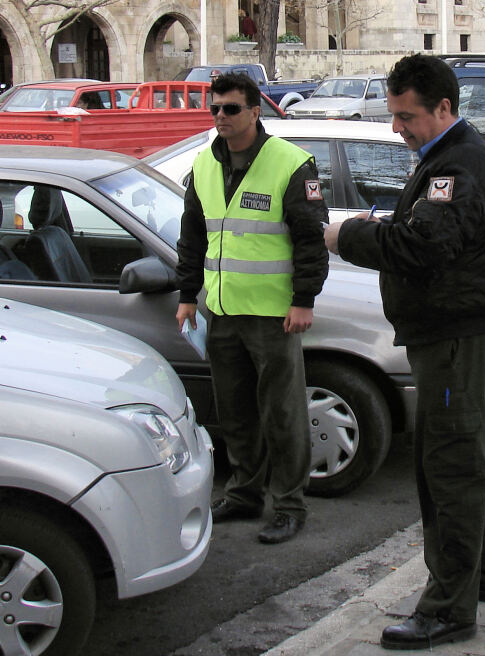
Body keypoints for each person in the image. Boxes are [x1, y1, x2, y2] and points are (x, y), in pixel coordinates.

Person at [323, 54, 485, 650]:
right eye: (393, 115)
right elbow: (431, 234)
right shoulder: (449, 158)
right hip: (453, 336)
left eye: (406, 117)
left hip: (455, 340)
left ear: (444, 109)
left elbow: (425, 244)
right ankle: (479, 578)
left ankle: (448, 610)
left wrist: (347, 235)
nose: (396, 128)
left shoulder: (455, 164)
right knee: (464, 461)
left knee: (449, 472)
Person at [175, 72, 329, 545]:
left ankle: (288, 504)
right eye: (215, 108)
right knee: (236, 413)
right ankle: (244, 493)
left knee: (282, 415)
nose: (221, 116)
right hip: (222, 312)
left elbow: (311, 241)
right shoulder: (203, 165)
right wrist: (187, 296)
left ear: (255, 112)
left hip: (273, 316)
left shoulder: (290, 163)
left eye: (231, 108)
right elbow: (192, 236)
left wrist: (303, 300)